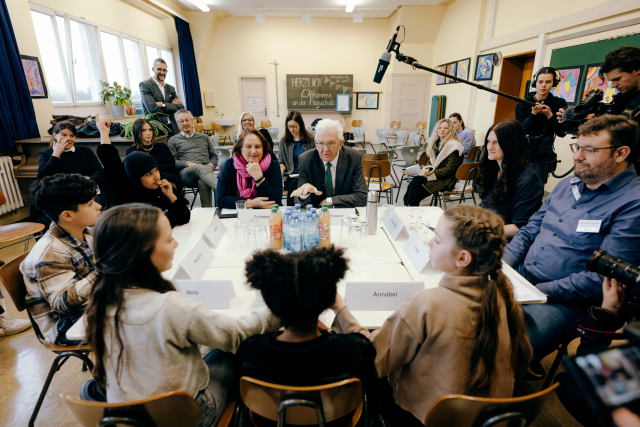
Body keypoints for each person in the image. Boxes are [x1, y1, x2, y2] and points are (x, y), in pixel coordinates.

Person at [331, 205, 532, 426]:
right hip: (486, 417)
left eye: (436, 240)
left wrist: (340, 308)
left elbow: (372, 358)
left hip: (425, 418)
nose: (428, 243)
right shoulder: (502, 295)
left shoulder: (427, 303)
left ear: (462, 259)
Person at [84, 204, 281, 426]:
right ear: (141, 254)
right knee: (230, 353)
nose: (176, 243)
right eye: (168, 239)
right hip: (187, 417)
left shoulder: (100, 301)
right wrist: (280, 307)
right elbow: (235, 334)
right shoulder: (171, 306)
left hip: (127, 417)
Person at [503, 115, 640, 365]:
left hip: (567, 298)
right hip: (523, 274)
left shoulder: (633, 203)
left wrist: (534, 292)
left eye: (589, 150)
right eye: (577, 147)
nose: (577, 156)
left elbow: (603, 278)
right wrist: (504, 264)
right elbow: (531, 229)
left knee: (508, 351)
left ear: (621, 153)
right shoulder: (568, 184)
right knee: (464, 312)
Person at [235, 246, 376, 389]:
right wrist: (340, 308)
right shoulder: (353, 350)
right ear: (329, 299)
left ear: (269, 303)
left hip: (268, 412)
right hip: (340, 412)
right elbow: (370, 347)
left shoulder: (252, 351)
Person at [20, 174, 101, 345]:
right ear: (68, 216)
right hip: (66, 325)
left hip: (92, 303)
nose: (98, 206)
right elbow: (62, 302)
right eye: (90, 204)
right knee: (142, 321)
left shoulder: (87, 233)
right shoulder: (49, 253)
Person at [95, 115, 190, 228]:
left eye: (156, 171)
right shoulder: (128, 192)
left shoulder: (161, 189)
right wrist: (104, 132)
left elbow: (183, 218)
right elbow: (112, 163)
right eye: (149, 174)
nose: (156, 177)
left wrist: (171, 196)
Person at [559, 47, 640, 172]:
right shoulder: (622, 97)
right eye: (611, 81)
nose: (614, 85)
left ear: (637, 70)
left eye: (617, 79)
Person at [477, 119, 544, 238]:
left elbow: (521, 227)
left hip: (504, 242)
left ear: (510, 144)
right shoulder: (493, 169)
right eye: (488, 141)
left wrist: (481, 231)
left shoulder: (527, 181)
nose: (489, 147)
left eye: (496, 142)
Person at [33, 121, 107, 225]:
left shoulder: (86, 151)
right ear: (55, 135)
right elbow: (43, 177)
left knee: (89, 207)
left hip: (88, 191)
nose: (69, 138)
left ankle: (96, 232)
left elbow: (100, 172)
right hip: (63, 195)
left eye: (72, 135)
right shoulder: (46, 154)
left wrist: (85, 182)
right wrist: (56, 154)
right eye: (64, 135)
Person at [291, 119, 367, 208]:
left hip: (344, 213)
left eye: (331, 143)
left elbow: (362, 197)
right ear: (315, 143)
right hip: (318, 214)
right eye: (321, 143)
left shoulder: (354, 158)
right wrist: (304, 194)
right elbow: (298, 202)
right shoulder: (306, 160)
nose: (325, 149)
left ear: (340, 144)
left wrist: (329, 201)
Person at [515, 67, 568, 185]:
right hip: (522, 151)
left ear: (554, 83)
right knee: (517, 185)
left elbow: (561, 132)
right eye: (540, 82)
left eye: (548, 82)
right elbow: (521, 130)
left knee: (536, 187)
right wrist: (533, 114)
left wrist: (549, 115)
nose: (543, 85)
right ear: (535, 83)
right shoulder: (522, 105)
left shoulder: (559, 104)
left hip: (542, 154)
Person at [216, 129, 282, 209]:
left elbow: (276, 200)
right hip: (239, 216)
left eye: (257, 146)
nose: (253, 151)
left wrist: (259, 177)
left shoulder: (273, 166)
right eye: (248, 146)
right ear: (240, 149)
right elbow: (220, 199)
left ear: (263, 149)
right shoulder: (230, 165)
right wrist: (251, 203)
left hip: (266, 215)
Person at [403, 118, 463, 206]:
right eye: (440, 128)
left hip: (446, 179)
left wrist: (431, 174)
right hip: (435, 174)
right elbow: (429, 161)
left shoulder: (454, 146)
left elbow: (449, 169)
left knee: (417, 190)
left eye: (445, 128)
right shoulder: (435, 143)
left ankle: (411, 206)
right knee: (416, 180)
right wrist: (427, 170)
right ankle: (410, 205)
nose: (442, 130)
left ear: (450, 130)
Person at [168, 109, 219, 208]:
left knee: (203, 180)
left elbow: (214, 156)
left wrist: (210, 165)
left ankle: (207, 211)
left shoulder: (204, 137)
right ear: (178, 124)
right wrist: (187, 163)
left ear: (192, 121)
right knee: (199, 167)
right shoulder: (173, 140)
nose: (185, 123)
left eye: (187, 120)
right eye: (181, 121)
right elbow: (172, 162)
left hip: (205, 172)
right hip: (186, 174)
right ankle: (222, 189)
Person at [125, 118, 180, 191]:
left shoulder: (162, 147)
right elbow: (134, 174)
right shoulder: (132, 151)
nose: (148, 133)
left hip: (165, 178)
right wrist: (156, 171)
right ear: (137, 133)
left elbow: (171, 167)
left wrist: (151, 173)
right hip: (143, 184)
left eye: (150, 129)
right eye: (143, 130)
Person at [277, 111, 315, 206]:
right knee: (293, 183)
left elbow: (315, 160)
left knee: (295, 184)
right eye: (289, 126)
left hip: (307, 176)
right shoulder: (284, 141)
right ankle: (293, 208)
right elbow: (281, 160)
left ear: (300, 125)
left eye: (294, 126)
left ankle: (292, 208)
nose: (291, 129)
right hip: (291, 176)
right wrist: (281, 167)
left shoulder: (310, 140)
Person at [139, 58, 182, 136]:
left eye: (164, 70)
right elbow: (152, 109)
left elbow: (180, 107)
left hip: (173, 128)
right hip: (157, 129)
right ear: (153, 69)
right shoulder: (145, 85)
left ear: (167, 71)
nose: (162, 72)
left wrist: (162, 104)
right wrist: (171, 106)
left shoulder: (171, 88)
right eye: (159, 69)